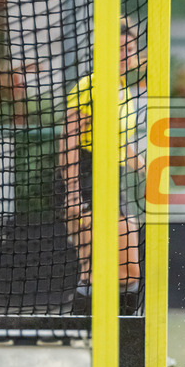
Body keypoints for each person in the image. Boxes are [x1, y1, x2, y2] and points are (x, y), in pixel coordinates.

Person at [60, 16, 144, 317]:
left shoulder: (125, 91)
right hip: (85, 176)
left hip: (111, 179)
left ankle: (126, 344)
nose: (125, 53)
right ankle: (82, 341)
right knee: (95, 269)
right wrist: (72, 192)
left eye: (129, 47)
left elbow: (118, 143)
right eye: (118, 47)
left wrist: (144, 167)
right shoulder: (91, 85)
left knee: (127, 272)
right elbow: (69, 139)